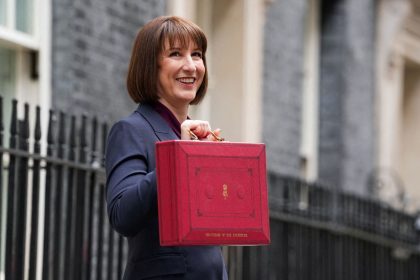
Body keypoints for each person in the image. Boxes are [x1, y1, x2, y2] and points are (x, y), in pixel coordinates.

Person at [105, 16, 228, 280]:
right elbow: (122, 215)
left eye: (196, 54)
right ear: (151, 67)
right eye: (175, 54)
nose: (191, 66)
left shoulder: (198, 137)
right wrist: (178, 156)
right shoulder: (131, 130)